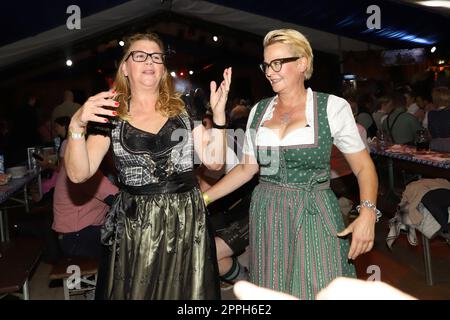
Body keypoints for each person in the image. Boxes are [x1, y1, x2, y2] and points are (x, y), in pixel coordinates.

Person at [202, 29, 379, 299]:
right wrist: (203, 198)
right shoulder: (259, 112)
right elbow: (247, 168)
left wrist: (367, 213)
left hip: (314, 209)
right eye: (266, 65)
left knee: (324, 285)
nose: (269, 72)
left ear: (302, 63)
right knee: (274, 288)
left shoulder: (331, 107)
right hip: (267, 213)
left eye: (277, 63)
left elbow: (364, 167)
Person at [64, 32, 232, 300]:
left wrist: (220, 117)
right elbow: (78, 174)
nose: (149, 61)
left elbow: (215, 162)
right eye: (139, 56)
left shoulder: (185, 107)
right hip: (136, 225)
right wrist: (76, 125)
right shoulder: (110, 114)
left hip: (186, 220)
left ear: (163, 68)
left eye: (156, 56)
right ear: (124, 67)